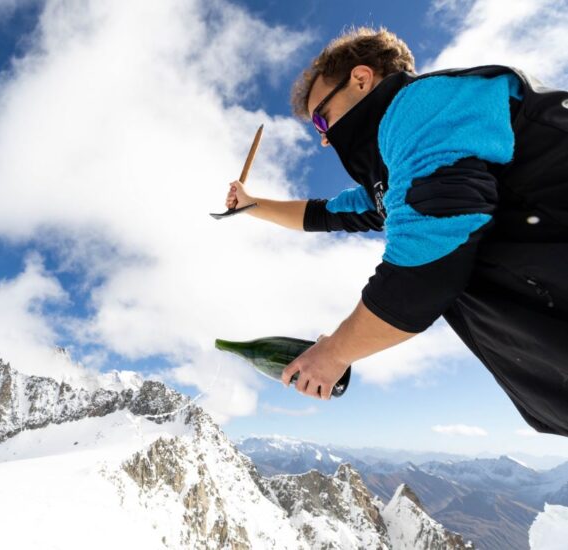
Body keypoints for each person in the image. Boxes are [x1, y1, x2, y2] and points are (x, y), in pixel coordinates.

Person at [225, 26, 568, 436]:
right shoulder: (406, 170)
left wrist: (334, 354)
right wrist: (252, 205)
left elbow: (428, 261)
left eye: (322, 118)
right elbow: (328, 214)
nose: (323, 139)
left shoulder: (420, 107)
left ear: (361, 79)